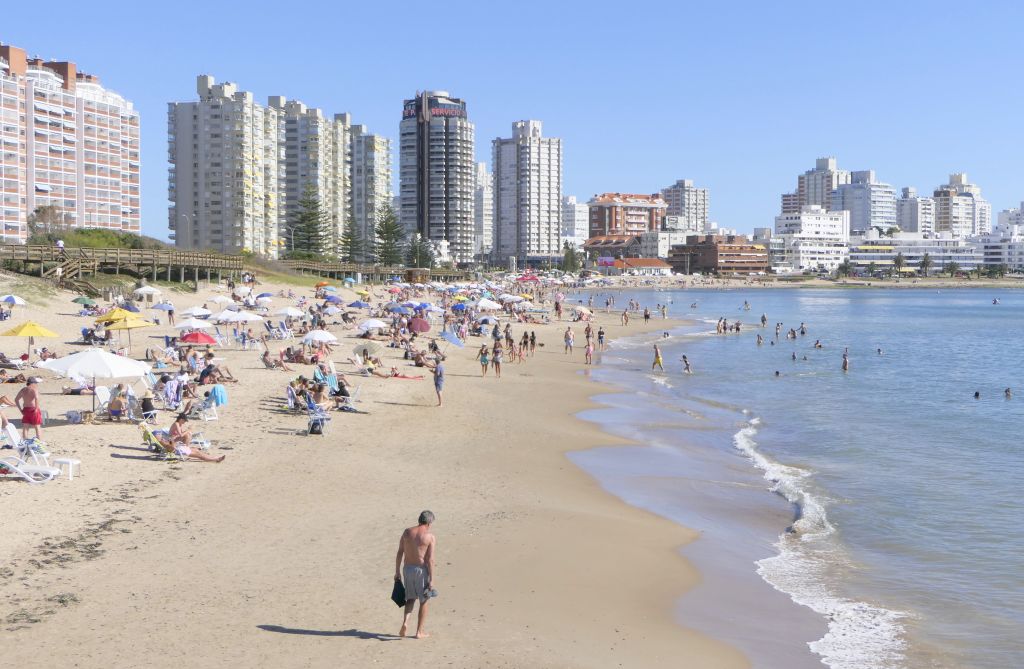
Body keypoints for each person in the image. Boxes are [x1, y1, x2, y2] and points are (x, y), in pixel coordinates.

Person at [395, 511, 437, 638]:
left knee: (410, 598)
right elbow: (430, 560)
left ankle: (406, 623)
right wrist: (431, 579)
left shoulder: (407, 532)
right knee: (424, 600)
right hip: (421, 570)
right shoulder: (430, 537)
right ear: (429, 522)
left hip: (407, 569)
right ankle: (419, 631)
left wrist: (397, 571)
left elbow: (400, 552)